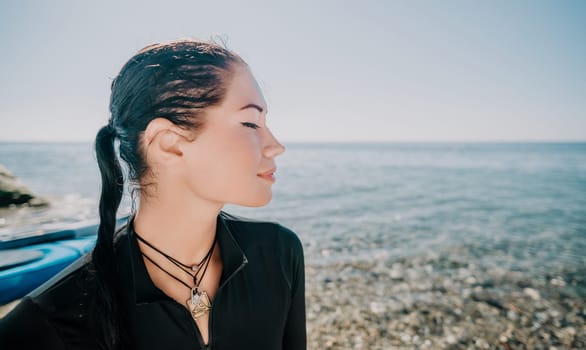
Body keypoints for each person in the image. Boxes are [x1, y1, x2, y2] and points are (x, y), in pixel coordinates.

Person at [0, 39, 306, 350]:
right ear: (168, 143)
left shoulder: (280, 253)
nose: (276, 146)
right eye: (251, 123)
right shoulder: (48, 320)